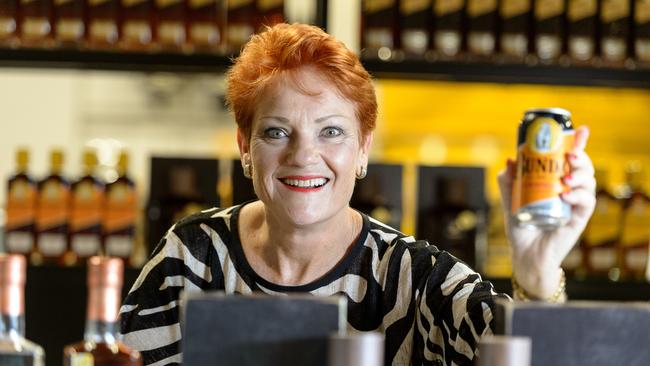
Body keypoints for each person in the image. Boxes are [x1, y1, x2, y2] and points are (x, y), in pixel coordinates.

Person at [119, 23, 596, 365]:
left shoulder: (415, 277)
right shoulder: (193, 255)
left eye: (331, 132)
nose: (304, 157)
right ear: (245, 148)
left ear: (363, 150)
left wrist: (537, 276)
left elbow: (525, 354)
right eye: (277, 132)